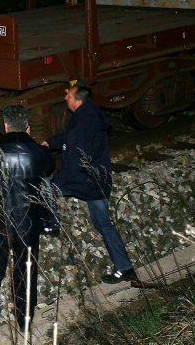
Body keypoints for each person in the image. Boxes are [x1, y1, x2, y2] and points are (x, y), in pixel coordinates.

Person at [0, 105, 55, 341]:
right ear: (27, 126)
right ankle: (24, 321)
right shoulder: (39, 153)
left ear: (5, 126)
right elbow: (47, 175)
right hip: (28, 224)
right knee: (25, 273)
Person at [42, 80, 138, 285]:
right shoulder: (89, 114)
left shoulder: (82, 122)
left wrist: (60, 179)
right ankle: (125, 267)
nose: (65, 98)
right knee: (103, 223)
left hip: (84, 180)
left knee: (46, 187)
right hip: (98, 180)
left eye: (68, 96)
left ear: (77, 100)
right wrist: (50, 142)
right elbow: (69, 139)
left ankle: (51, 225)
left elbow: (77, 156)